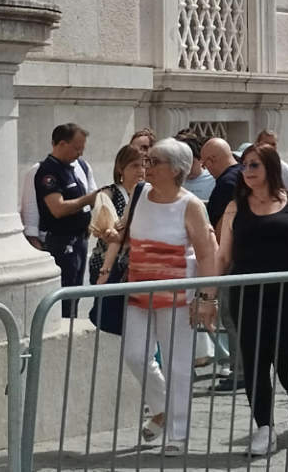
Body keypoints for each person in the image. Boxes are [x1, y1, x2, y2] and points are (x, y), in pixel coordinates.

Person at [216, 144, 288, 456]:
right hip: (246, 294)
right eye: (244, 166)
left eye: (254, 165)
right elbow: (224, 255)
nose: (247, 172)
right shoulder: (235, 207)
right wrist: (206, 296)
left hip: (287, 293)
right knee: (254, 361)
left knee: (287, 357)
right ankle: (264, 428)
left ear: (271, 167)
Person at [111, 138, 221, 457]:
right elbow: (124, 229)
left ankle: (177, 431)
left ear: (175, 171)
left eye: (153, 161)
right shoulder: (140, 193)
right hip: (138, 288)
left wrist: (206, 298)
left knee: (178, 362)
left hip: (177, 293)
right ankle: (161, 408)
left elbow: (206, 253)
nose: (146, 166)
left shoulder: (191, 205)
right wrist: (109, 232)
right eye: (147, 160)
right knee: (135, 355)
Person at [35, 124, 104, 318]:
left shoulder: (78, 167)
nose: (80, 153)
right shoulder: (48, 171)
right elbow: (57, 208)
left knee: (76, 291)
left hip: (80, 239)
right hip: (61, 241)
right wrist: (88, 199)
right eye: (76, 148)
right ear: (62, 144)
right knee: (65, 292)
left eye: (82, 149)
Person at [198, 137, 245, 392]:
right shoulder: (244, 175)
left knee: (232, 317)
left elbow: (219, 231)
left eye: (206, 163)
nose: (205, 169)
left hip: (232, 260)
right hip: (249, 257)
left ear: (213, 160)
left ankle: (240, 372)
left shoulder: (226, 184)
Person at [92, 144, 148, 294]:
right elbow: (102, 222)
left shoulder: (148, 194)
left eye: (143, 165)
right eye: (135, 165)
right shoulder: (109, 193)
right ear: (120, 168)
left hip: (135, 264)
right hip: (106, 263)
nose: (140, 170)